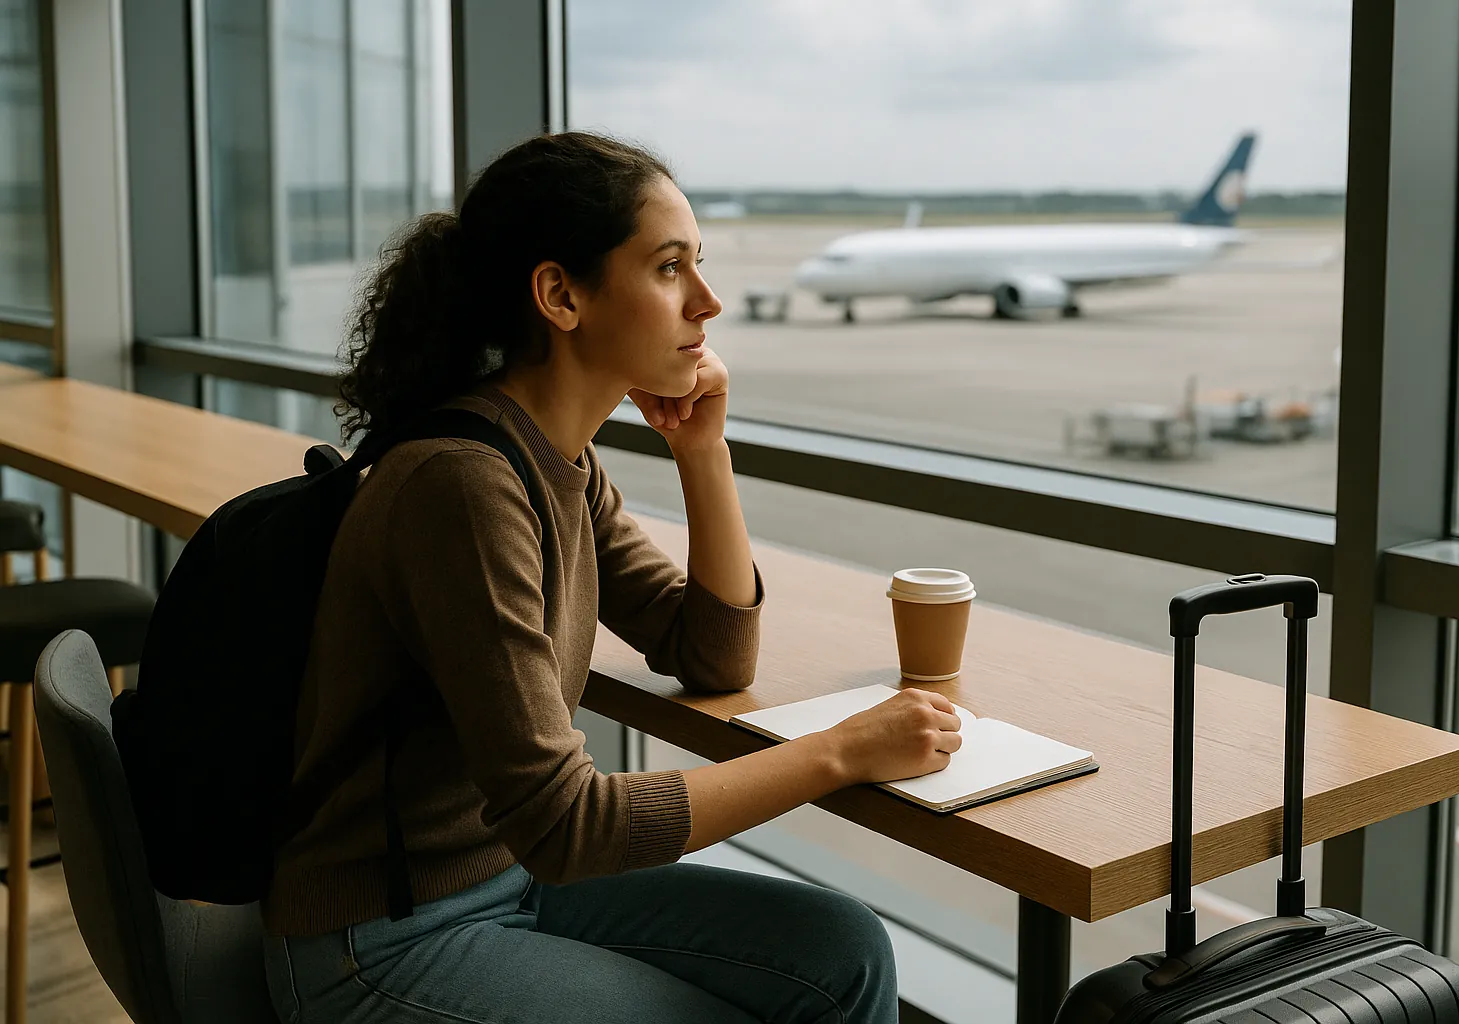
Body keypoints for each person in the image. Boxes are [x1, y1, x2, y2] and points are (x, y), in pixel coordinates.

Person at [261, 131, 964, 1024]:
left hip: (500, 879)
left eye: (698, 266)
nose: (707, 304)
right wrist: (840, 752)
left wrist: (702, 453)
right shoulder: (464, 485)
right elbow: (568, 826)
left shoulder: (559, 461)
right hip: (383, 936)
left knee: (845, 951)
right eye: (670, 268)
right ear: (560, 295)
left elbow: (711, 654)